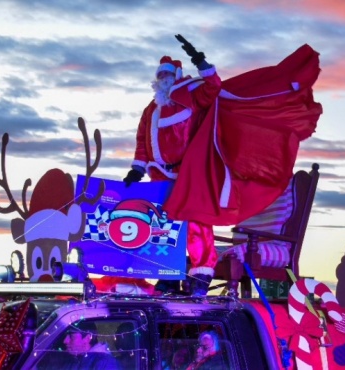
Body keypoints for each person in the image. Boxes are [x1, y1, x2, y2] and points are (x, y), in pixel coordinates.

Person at [124, 34, 222, 296]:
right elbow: (143, 141)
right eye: (161, 76)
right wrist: (137, 168)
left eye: (168, 75)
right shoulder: (151, 109)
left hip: (188, 174)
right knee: (163, 225)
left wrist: (201, 62)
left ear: (177, 76)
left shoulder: (191, 95)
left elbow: (214, 88)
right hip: (159, 175)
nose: (164, 80)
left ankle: (200, 276)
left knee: (196, 223)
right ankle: (167, 277)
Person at [38, 321, 119, 369]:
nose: (65, 341)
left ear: (87, 338)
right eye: (65, 336)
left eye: (71, 336)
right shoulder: (74, 360)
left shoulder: (104, 363)